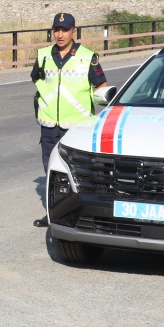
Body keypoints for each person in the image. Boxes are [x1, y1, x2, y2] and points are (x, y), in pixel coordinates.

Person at [30, 12, 112, 227]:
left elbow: (101, 88)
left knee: (80, 174)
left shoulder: (87, 57)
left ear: (73, 32)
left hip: (77, 127)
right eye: (56, 30)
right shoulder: (43, 55)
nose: (60, 34)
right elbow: (37, 80)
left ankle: (86, 215)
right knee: (51, 173)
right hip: (49, 125)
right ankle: (53, 215)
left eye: (64, 30)